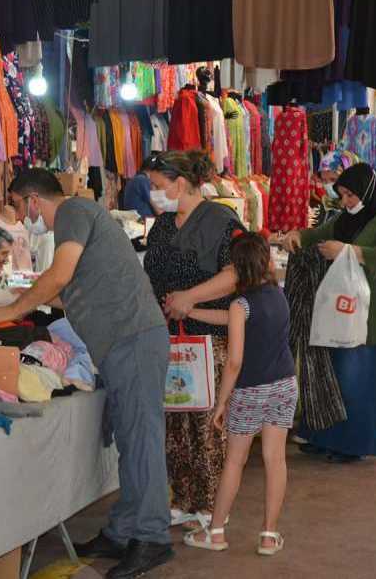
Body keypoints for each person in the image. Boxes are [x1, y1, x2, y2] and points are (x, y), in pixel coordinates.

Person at [0, 168, 173, 579]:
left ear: (33, 199)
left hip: (134, 341)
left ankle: (152, 537)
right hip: (123, 344)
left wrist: (10, 311)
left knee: (142, 441)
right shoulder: (78, 224)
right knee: (131, 441)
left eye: (18, 205)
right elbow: (72, 293)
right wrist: (26, 297)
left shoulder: (73, 212)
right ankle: (125, 530)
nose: (19, 216)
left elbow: (60, 276)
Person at [142, 150, 244, 529]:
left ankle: (212, 505)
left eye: (158, 185)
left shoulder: (220, 220)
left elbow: (236, 273)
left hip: (208, 339)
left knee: (205, 425)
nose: (154, 193)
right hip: (169, 339)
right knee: (175, 423)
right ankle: (183, 498)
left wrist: (190, 297)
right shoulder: (163, 225)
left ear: (180, 183)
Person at [182, 231, 297, 557]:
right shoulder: (278, 295)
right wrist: (193, 312)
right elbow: (238, 320)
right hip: (284, 385)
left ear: (236, 268)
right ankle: (269, 536)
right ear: (266, 261)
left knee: (235, 461)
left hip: (249, 392)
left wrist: (221, 402)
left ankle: (216, 532)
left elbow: (234, 361)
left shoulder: (239, 304)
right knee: (275, 459)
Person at [281, 163, 376, 463]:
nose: (347, 201)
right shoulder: (345, 219)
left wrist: (349, 252)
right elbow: (319, 234)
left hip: (373, 313)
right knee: (336, 376)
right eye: (343, 195)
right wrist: (298, 235)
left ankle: (352, 445)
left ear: (368, 191)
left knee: (361, 381)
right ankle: (325, 438)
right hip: (344, 309)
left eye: (351, 195)